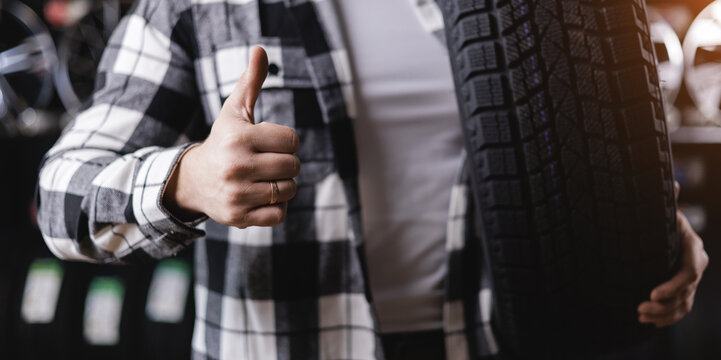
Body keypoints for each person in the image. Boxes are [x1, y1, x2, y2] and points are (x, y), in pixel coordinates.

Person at [36, 0, 708, 359]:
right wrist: (183, 180)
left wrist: (648, 229)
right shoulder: (196, 7)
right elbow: (61, 196)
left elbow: (587, 143)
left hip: (486, 344)